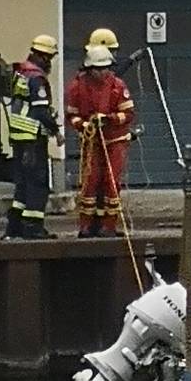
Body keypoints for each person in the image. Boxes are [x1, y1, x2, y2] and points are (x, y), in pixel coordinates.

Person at [69, 44, 134, 237]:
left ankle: (109, 226)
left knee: (111, 183)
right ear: (89, 68)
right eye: (98, 68)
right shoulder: (77, 87)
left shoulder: (117, 86)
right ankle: (86, 226)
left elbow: (128, 113)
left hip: (115, 141)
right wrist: (85, 125)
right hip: (91, 142)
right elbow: (71, 116)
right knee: (90, 182)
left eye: (106, 67)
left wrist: (109, 119)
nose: (102, 72)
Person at [2, 34, 58, 239]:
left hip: (18, 137)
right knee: (37, 183)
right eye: (49, 58)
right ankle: (33, 228)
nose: (50, 62)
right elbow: (41, 111)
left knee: (23, 185)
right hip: (32, 139)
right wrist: (56, 130)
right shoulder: (37, 79)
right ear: (43, 57)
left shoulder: (21, 73)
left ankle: (14, 227)